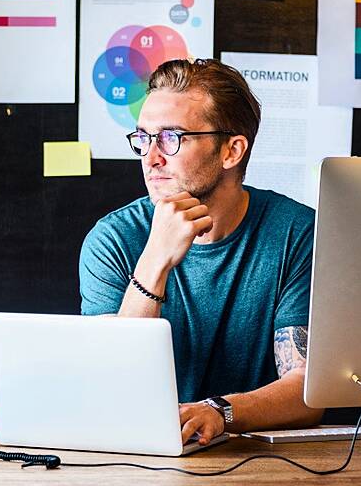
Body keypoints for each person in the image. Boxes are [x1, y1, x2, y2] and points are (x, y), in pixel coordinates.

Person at [80, 58, 323, 446]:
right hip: (138, 454)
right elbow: (110, 386)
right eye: (143, 138)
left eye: (171, 137)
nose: (151, 156)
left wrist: (218, 411)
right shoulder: (113, 238)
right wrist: (154, 260)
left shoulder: (297, 233)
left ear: (231, 151)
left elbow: (307, 390)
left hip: (264, 458)